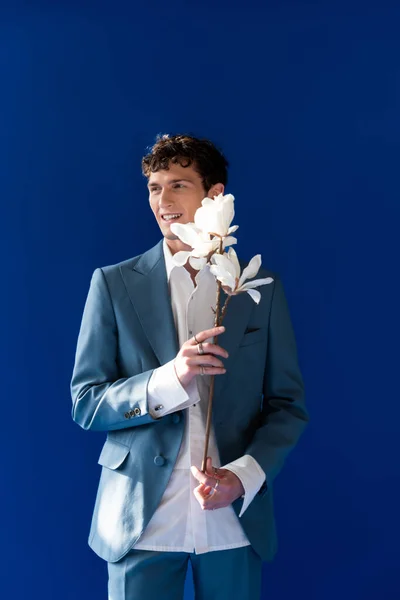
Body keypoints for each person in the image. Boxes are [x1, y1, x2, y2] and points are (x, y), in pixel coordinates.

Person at [70, 133, 309, 600]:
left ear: (214, 194)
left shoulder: (260, 287)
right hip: (138, 517)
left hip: (231, 516)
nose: (163, 201)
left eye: (178, 185)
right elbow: (86, 402)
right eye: (154, 188)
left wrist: (242, 477)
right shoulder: (114, 284)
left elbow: (287, 405)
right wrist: (168, 380)